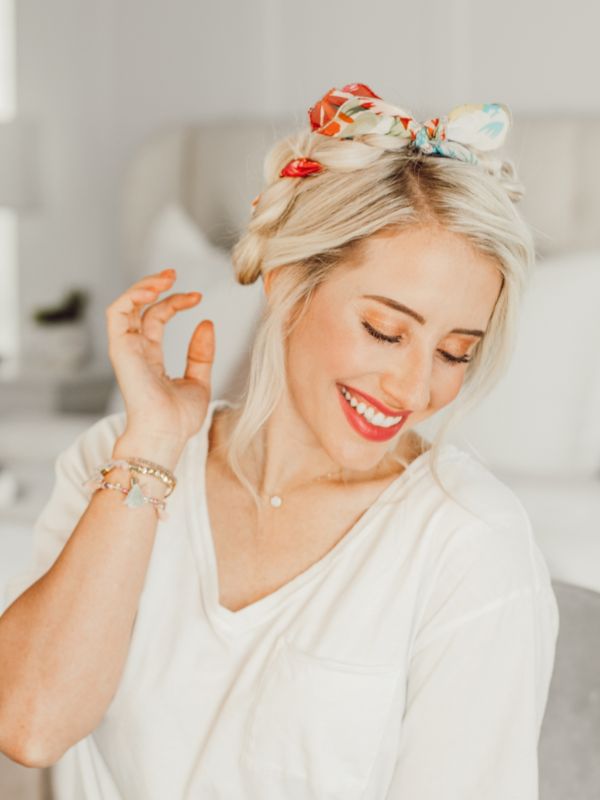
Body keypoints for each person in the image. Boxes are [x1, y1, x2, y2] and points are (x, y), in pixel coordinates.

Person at [0, 83, 559, 799]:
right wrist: (150, 449)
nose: (414, 390)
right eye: (386, 332)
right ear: (290, 281)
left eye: (455, 352)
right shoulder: (120, 462)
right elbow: (31, 725)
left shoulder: (469, 544)